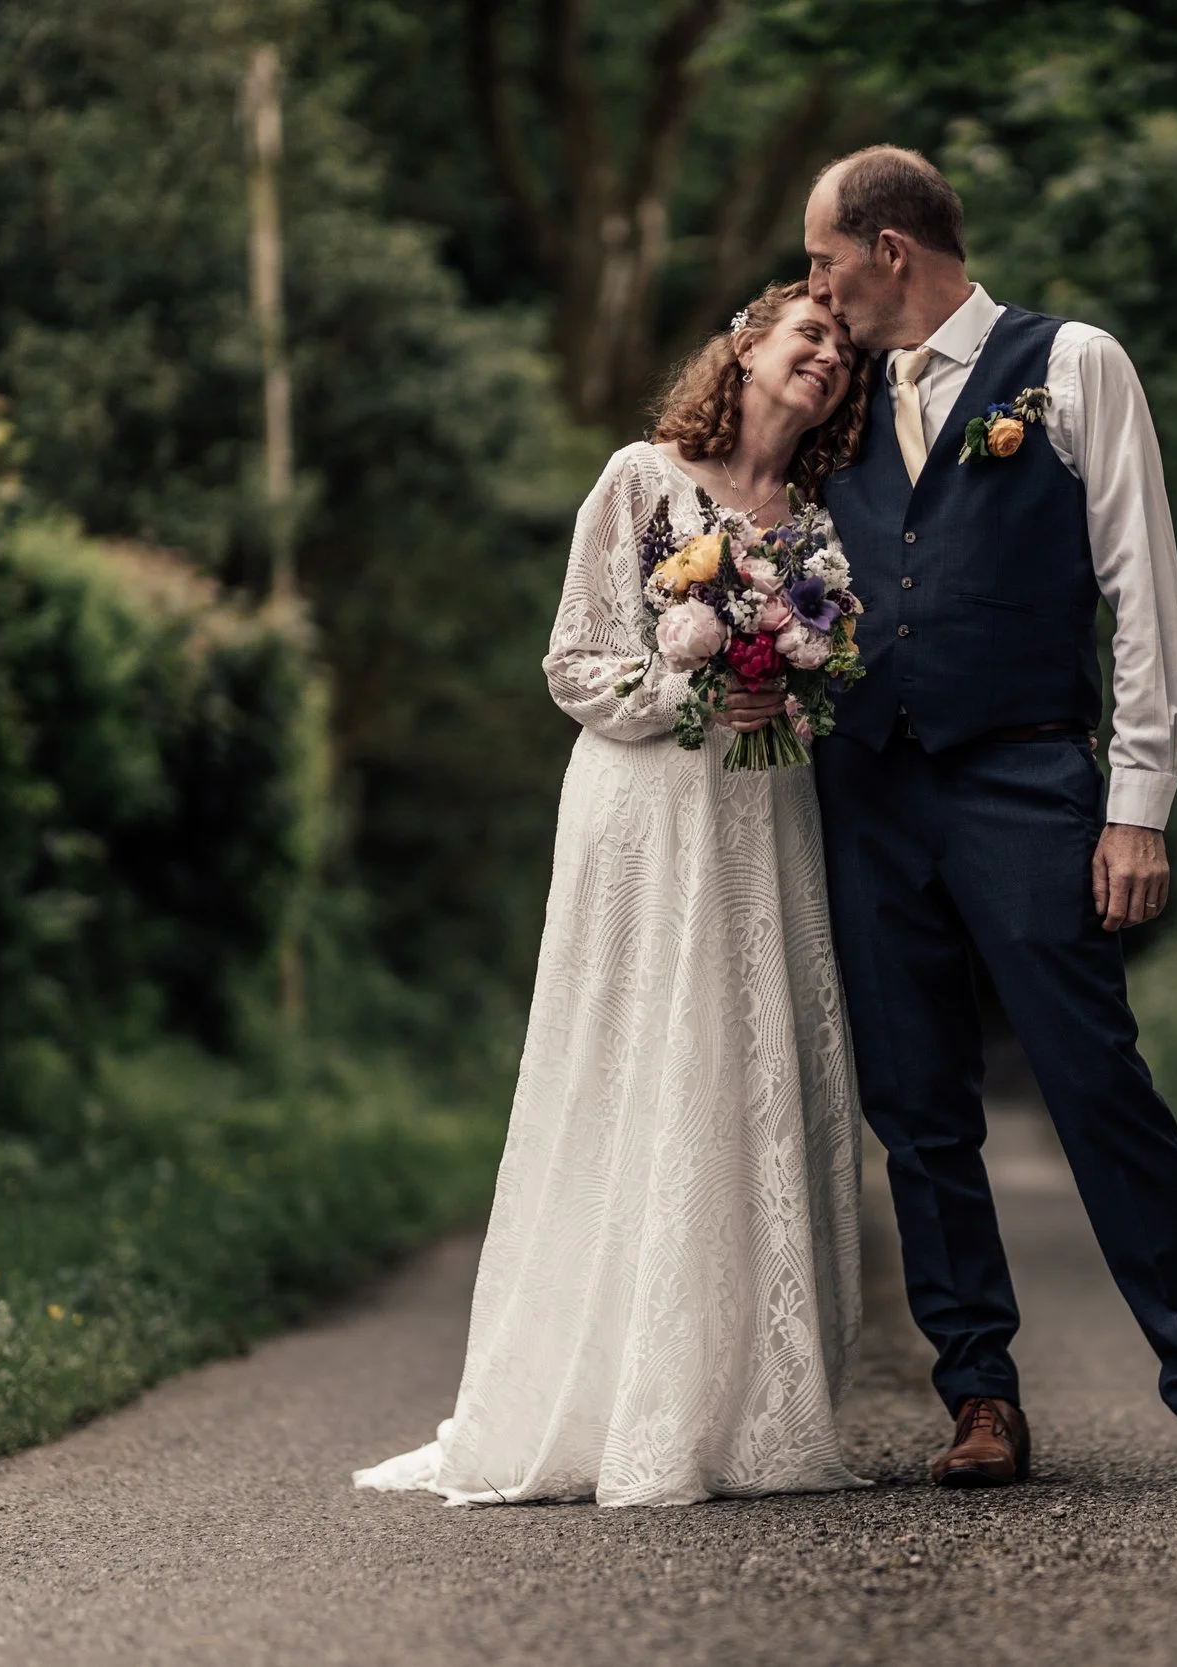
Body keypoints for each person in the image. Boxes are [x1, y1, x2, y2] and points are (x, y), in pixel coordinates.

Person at [801, 146, 1177, 1492]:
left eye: (827, 259)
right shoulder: (836, 396)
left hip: (1026, 778)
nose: (816, 286)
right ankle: (979, 1395)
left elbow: (1144, 588)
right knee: (920, 1107)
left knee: (1097, 1082)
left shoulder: (1073, 364)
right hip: (870, 790)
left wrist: (1138, 805)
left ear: (892, 248)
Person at [352, 281, 874, 1507]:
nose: (829, 360)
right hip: (645, 808)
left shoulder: (816, 519)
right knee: (644, 1058)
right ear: (743, 347)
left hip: (760, 810)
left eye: (846, 354)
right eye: (811, 335)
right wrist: (694, 696)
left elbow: (828, 668)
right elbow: (572, 658)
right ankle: (609, 1389)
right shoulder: (641, 478)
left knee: (743, 1061)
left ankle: (742, 1395)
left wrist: (790, 690)